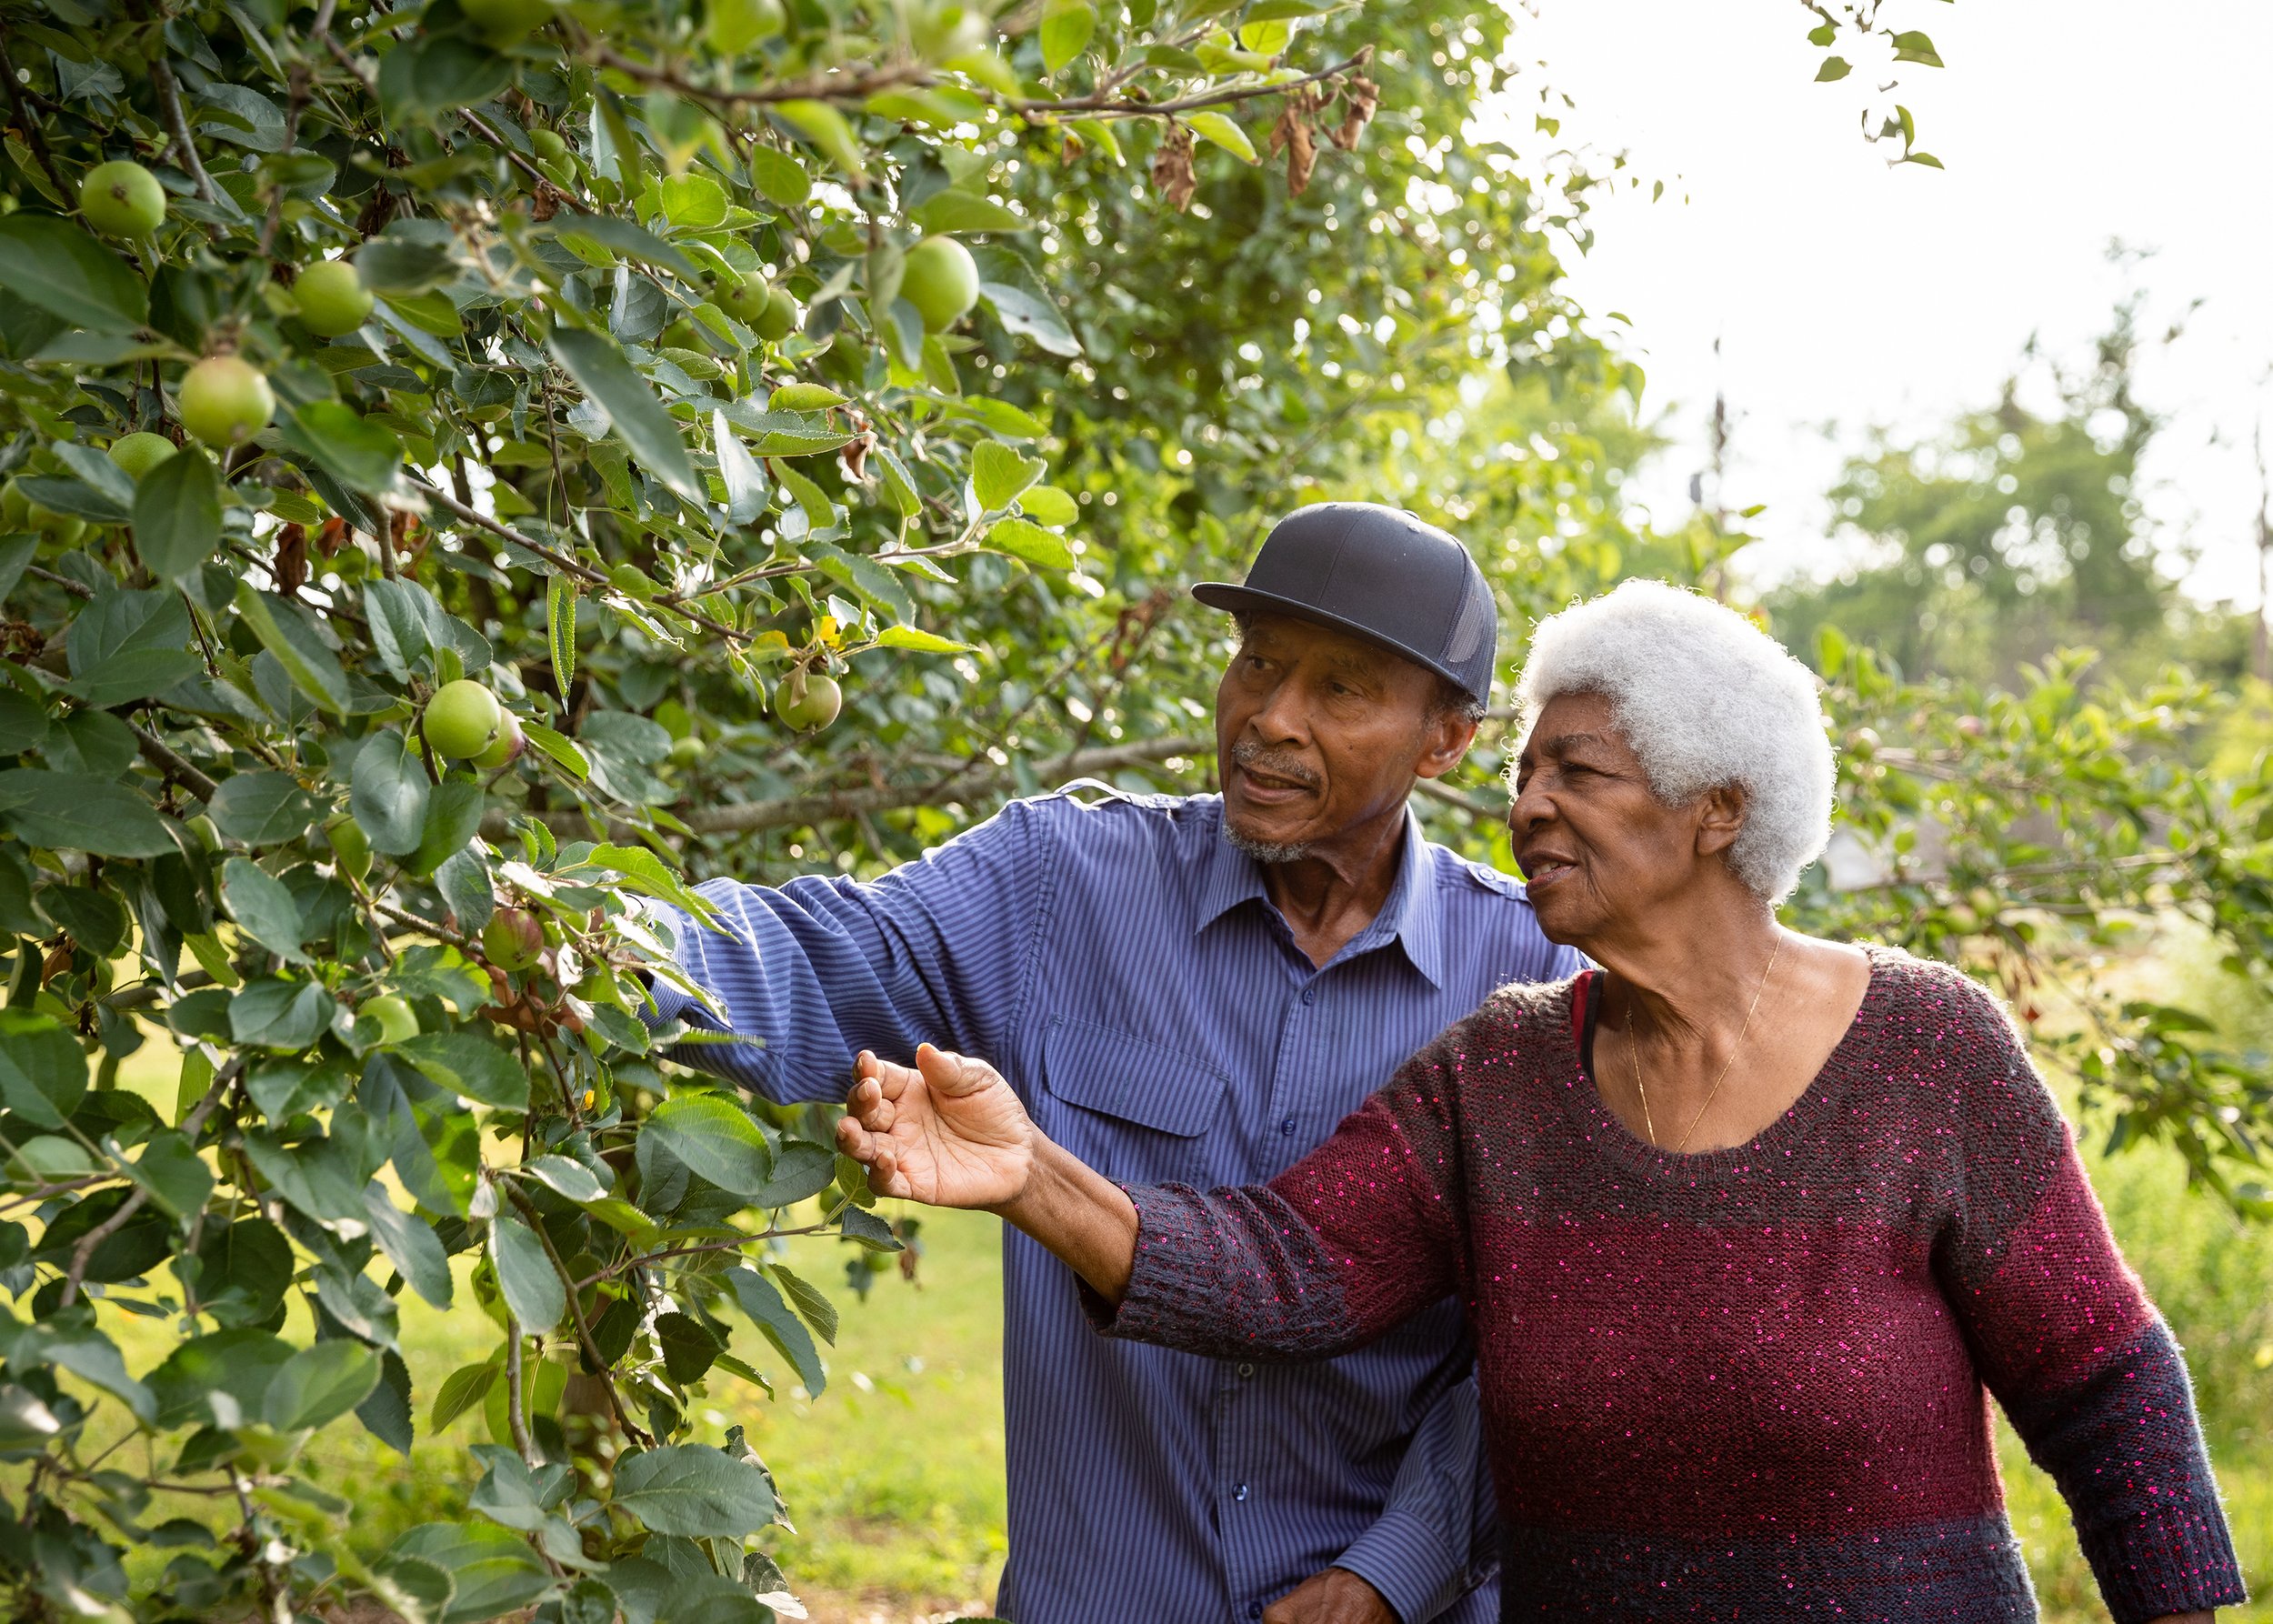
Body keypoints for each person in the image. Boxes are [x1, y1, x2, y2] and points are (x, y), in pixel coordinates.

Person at [836, 578, 2249, 1623]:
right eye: (1522, 774)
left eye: (1579, 773)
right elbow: (1280, 1270)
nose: (1527, 811)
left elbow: (2109, 1394)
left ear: (1717, 808)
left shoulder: (1929, 1051)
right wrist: (1034, 1175)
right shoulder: (1497, 1074)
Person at [643, 504, 1582, 1624]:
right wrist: (586, 940)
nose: (1269, 718)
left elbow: (1550, 1341)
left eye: (1339, 689)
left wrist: (1394, 1569)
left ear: (1446, 739)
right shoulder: (1059, 884)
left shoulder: (1535, 972)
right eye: (1258, 663)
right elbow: (815, 952)